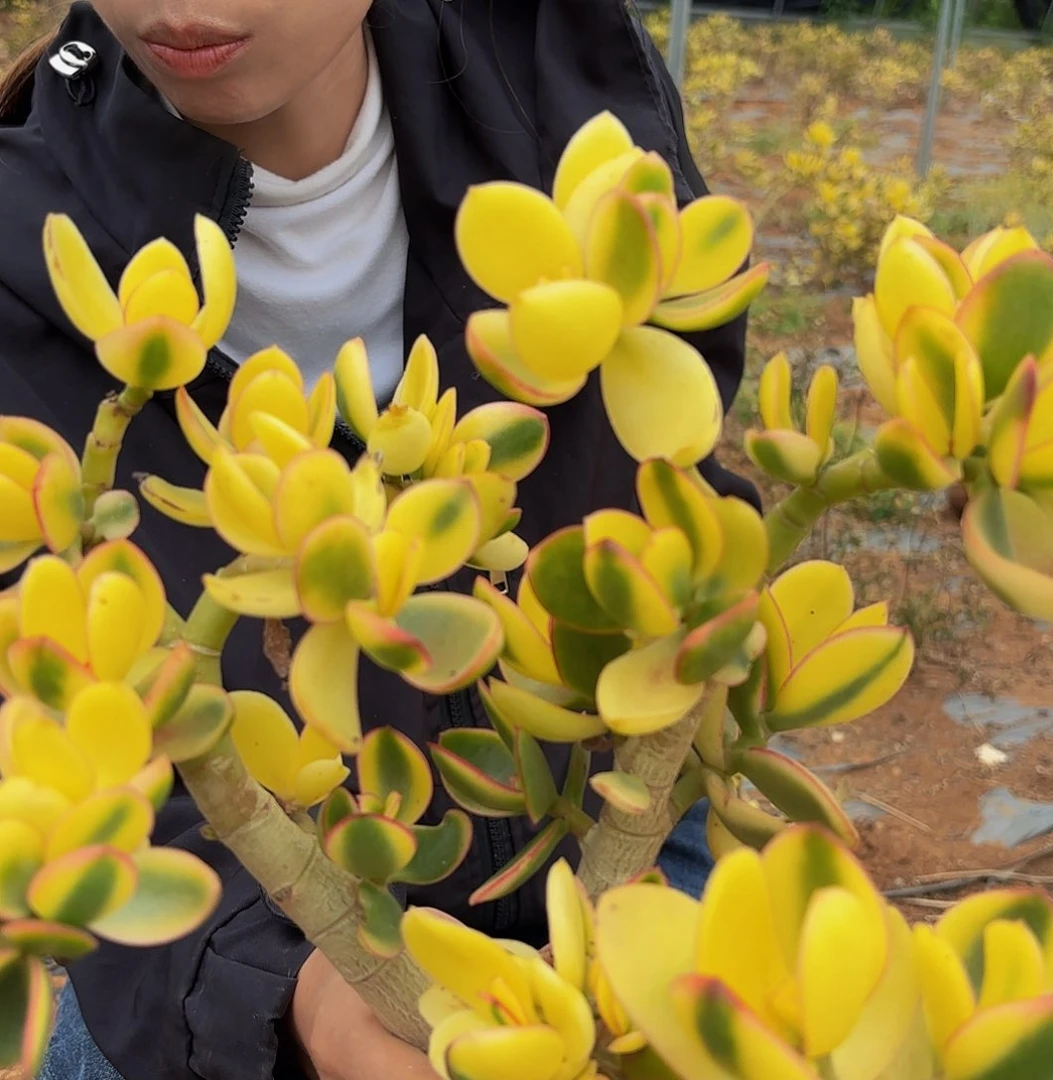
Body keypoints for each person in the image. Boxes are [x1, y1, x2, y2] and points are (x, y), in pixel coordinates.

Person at [0, 2, 756, 1078]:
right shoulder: (21, 240)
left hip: (610, 813)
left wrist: (638, 811)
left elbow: (671, 473)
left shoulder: (558, 64)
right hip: (239, 935)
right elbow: (58, 732)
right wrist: (309, 1004)